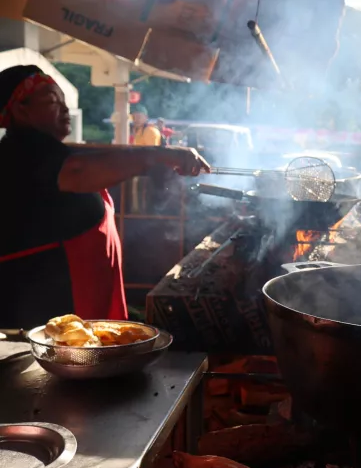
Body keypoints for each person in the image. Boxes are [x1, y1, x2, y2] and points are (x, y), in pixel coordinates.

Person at [0, 65, 210, 329]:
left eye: (64, 101)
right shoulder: (20, 153)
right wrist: (161, 155)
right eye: (53, 101)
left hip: (73, 311)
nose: (65, 109)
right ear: (21, 109)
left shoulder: (48, 151)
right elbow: (79, 171)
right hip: (46, 319)